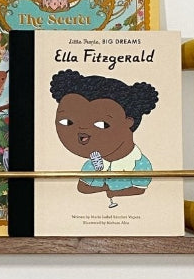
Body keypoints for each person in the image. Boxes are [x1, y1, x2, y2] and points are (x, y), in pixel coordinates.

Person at [49, 68, 159, 202]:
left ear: (128, 122)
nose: (82, 129)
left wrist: (109, 191)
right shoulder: (93, 163)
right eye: (67, 122)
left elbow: (140, 189)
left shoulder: (140, 164)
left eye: (102, 124)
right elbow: (82, 188)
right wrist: (107, 188)